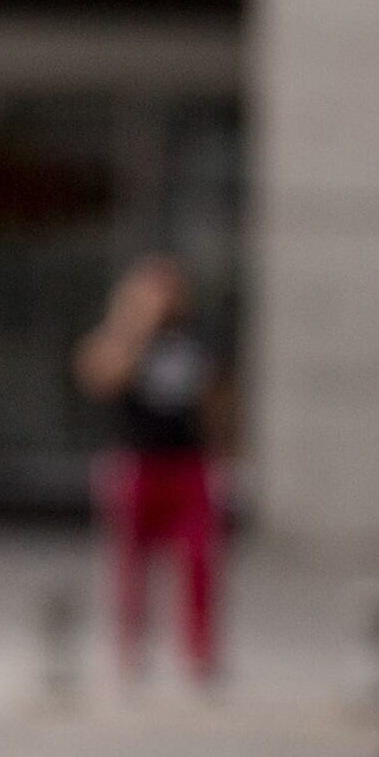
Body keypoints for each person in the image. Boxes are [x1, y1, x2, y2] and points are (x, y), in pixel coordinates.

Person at [76, 253, 226, 686]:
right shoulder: (119, 337)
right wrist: (137, 329)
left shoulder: (195, 341)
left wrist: (222, 451)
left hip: (188, 463)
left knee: (199, 560)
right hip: (136, 462)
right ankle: (131, 652)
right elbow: (100, 378)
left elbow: (214, 397)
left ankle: (200, 653)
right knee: (130, 564)